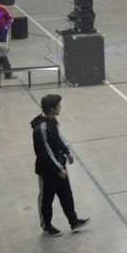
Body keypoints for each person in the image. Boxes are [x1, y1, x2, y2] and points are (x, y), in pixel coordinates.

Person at [31, 94, 90, 236]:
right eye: (58, 106)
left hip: (59, 165)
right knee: (47, 198)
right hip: (48, 171)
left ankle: (73, 221)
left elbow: (58, 139)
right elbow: (45, 153)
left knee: (66, 194)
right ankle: (47, 226)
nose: (60, 108)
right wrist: (58, 169)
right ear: (52, 109)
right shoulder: (41, 129)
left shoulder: (52, 121)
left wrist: (67, 152)